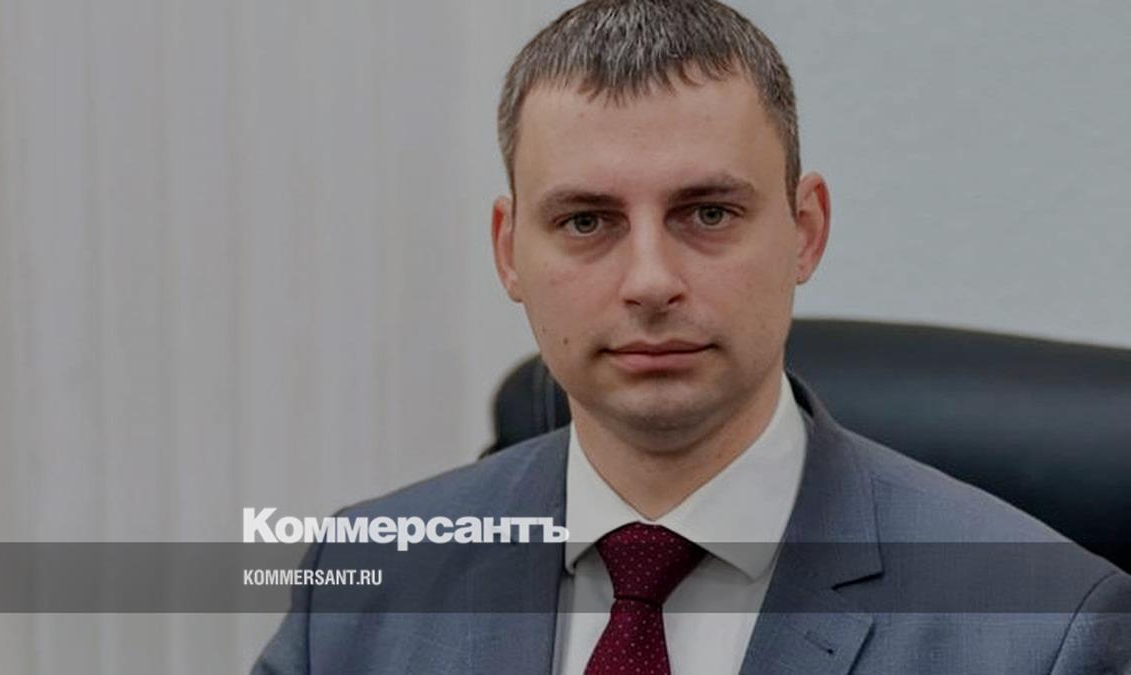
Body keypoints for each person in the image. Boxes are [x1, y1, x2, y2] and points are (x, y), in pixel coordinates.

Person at [254, 1, 1131, 672]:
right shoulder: (361, 589)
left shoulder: (1045, 627)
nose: (649, 280)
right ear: (508, 251)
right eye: (587, 221)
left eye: (707, 212)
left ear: (805, 231)